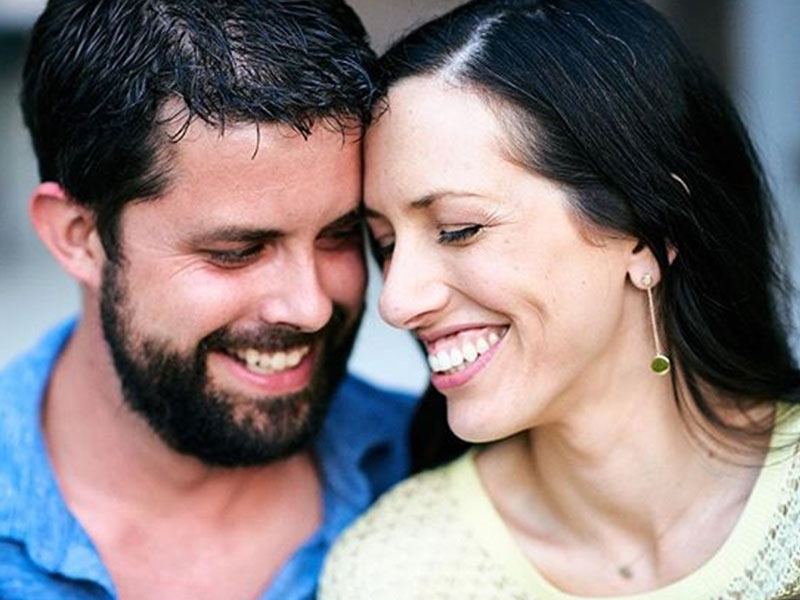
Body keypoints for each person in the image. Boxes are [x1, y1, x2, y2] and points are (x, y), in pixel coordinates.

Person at [320, 0, 800, 598]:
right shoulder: (395, 573)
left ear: (649, 234)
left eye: (458, 228)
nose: (396, 302)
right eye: (385, 243)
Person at [0, 1, 415, 598]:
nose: (310, 306)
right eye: (237, 250)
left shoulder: (440, 468)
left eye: (340, 235)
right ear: (79, 237)